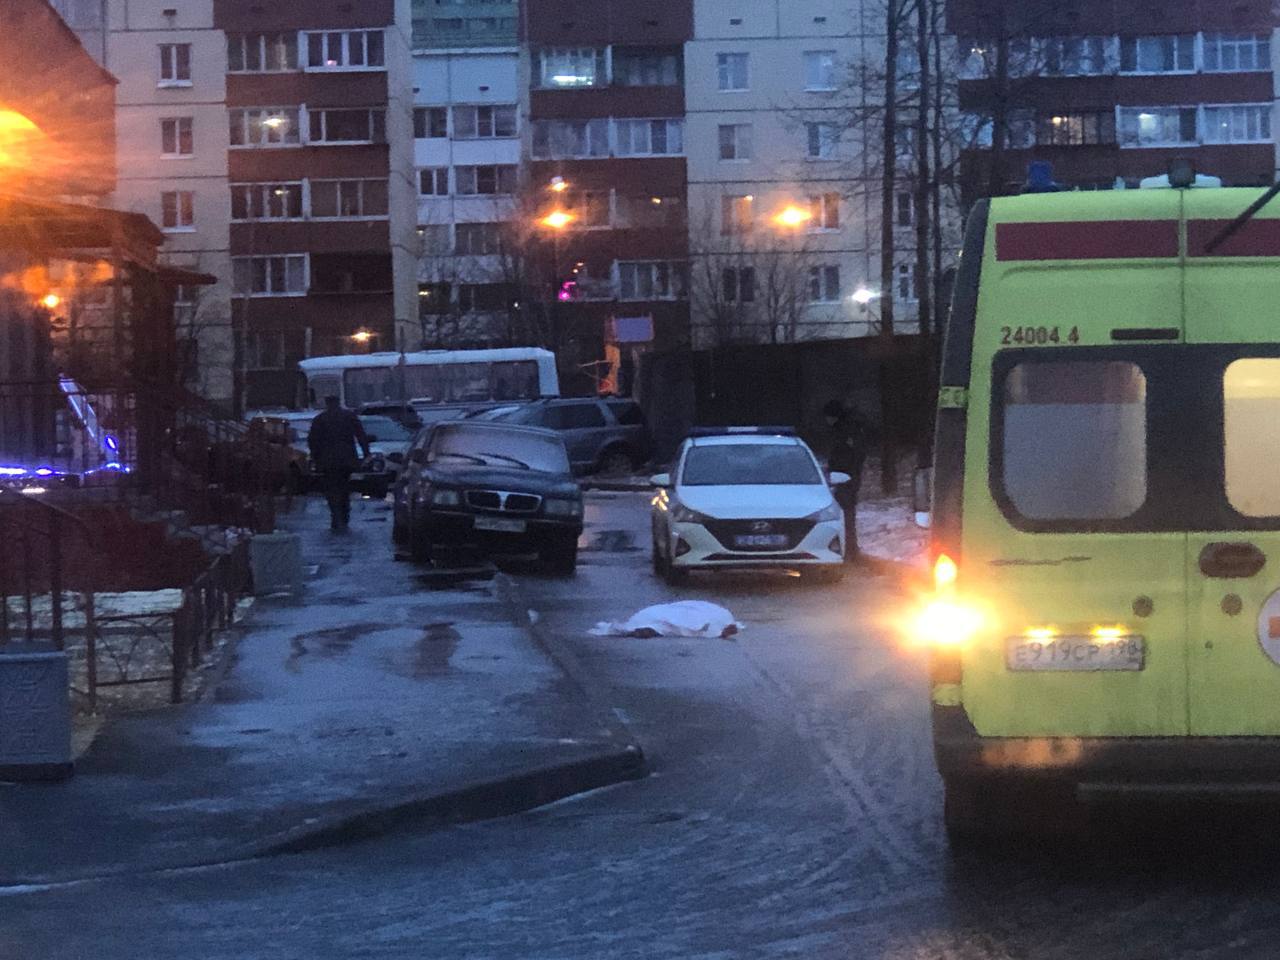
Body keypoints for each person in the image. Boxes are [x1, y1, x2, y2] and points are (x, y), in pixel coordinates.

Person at [307, 396, 370, 532]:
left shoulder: (320, 419)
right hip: (346, 460)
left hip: (327, 461)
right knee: (344, 486)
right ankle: (343, 513)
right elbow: (361, 435)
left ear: (327, 403)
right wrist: (366, 454)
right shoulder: (349, 416)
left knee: (331, 488)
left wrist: (316, 458)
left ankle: (336, 515)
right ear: (338, 403)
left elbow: (312, 441)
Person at [823, 398, 871, 562]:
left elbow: (848, 455)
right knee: (846, 514)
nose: (826, 420)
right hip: (848, 477)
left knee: (845, 514)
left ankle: (849, 550)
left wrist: (842, 472)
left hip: (845, 478)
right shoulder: (848, 429)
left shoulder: (845, 431)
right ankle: (849, 549)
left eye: (828, 417)